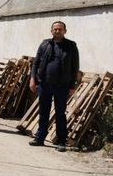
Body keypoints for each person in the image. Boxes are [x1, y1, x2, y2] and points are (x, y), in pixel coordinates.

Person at [29, 21, 79, 152]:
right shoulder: (45, 44)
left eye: (60, 29)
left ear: (65, 31)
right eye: (55, 29)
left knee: (60, 114)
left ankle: (61, 141)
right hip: (44, 84)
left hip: (62, 86)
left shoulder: (71, 46)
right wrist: (33, 79)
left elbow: (75, 67)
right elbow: (36, 63)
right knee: (43, 112)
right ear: (51, 31)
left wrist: (73, 85)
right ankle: (40, 138)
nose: (57, 31)